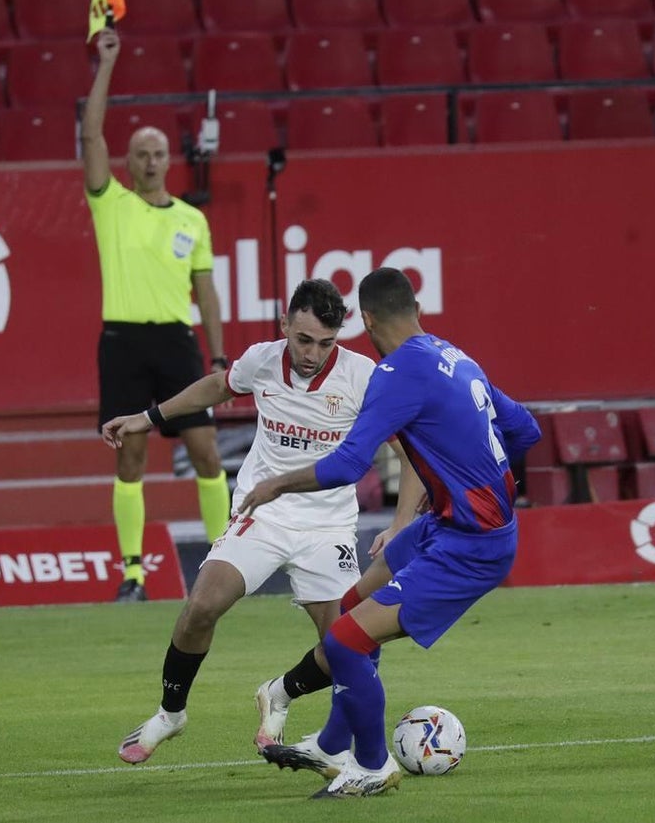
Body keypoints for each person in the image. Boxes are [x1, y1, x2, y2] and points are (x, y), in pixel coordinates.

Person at [237, 267, 542, 799]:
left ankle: (373, 765)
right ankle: (333, 744)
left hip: (471, 546)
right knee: (352, 602)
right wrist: (470, 482)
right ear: (415, 309)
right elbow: (524, 430)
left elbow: (348, 465)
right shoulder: (454, 356)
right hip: (446, 524)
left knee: (345, 638)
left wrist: (275, 484)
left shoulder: (396, 373)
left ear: (369, 319)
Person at [101, 279, 422, 765]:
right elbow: (217, 386)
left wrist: (399, 524)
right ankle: (170, 714)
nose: (313, 353)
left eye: (326, 343)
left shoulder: (363, 376)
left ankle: (282, 695)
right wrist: (148, 417)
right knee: (201, 606)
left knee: (349, 649)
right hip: (263, 511)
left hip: (328, 527)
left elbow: (410, 456)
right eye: (304, 339)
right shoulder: (262, 359)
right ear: (285, 326)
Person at [82, 26, 232, 602]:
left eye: (158, 152)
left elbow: (207, 291)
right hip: (121, 341)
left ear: (170, 159)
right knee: (132, 454)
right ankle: (134, 573)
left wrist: (217, 355)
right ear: (129, 160)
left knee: (206, 452)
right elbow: (90, 132)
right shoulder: (111, 204)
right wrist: (106, 65)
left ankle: (221, 564)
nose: (149, 160)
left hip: (176, 342)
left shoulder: (192, 220)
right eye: (140, 153)